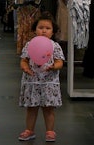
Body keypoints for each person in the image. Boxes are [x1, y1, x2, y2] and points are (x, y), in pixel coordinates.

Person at [18, 12, 65, 142]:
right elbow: (24, 60)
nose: (44, 31)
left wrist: (54, 66)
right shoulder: (29, 45)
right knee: (31, 109)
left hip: (49, 83)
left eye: (47, 28)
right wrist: (25, 67)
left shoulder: (55, 46)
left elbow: (60, 61)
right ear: (35, 30)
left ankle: (50, 131)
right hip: (32, 82)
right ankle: (29, 130)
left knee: (48, 108)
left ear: (53, 32)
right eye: (40, 27)